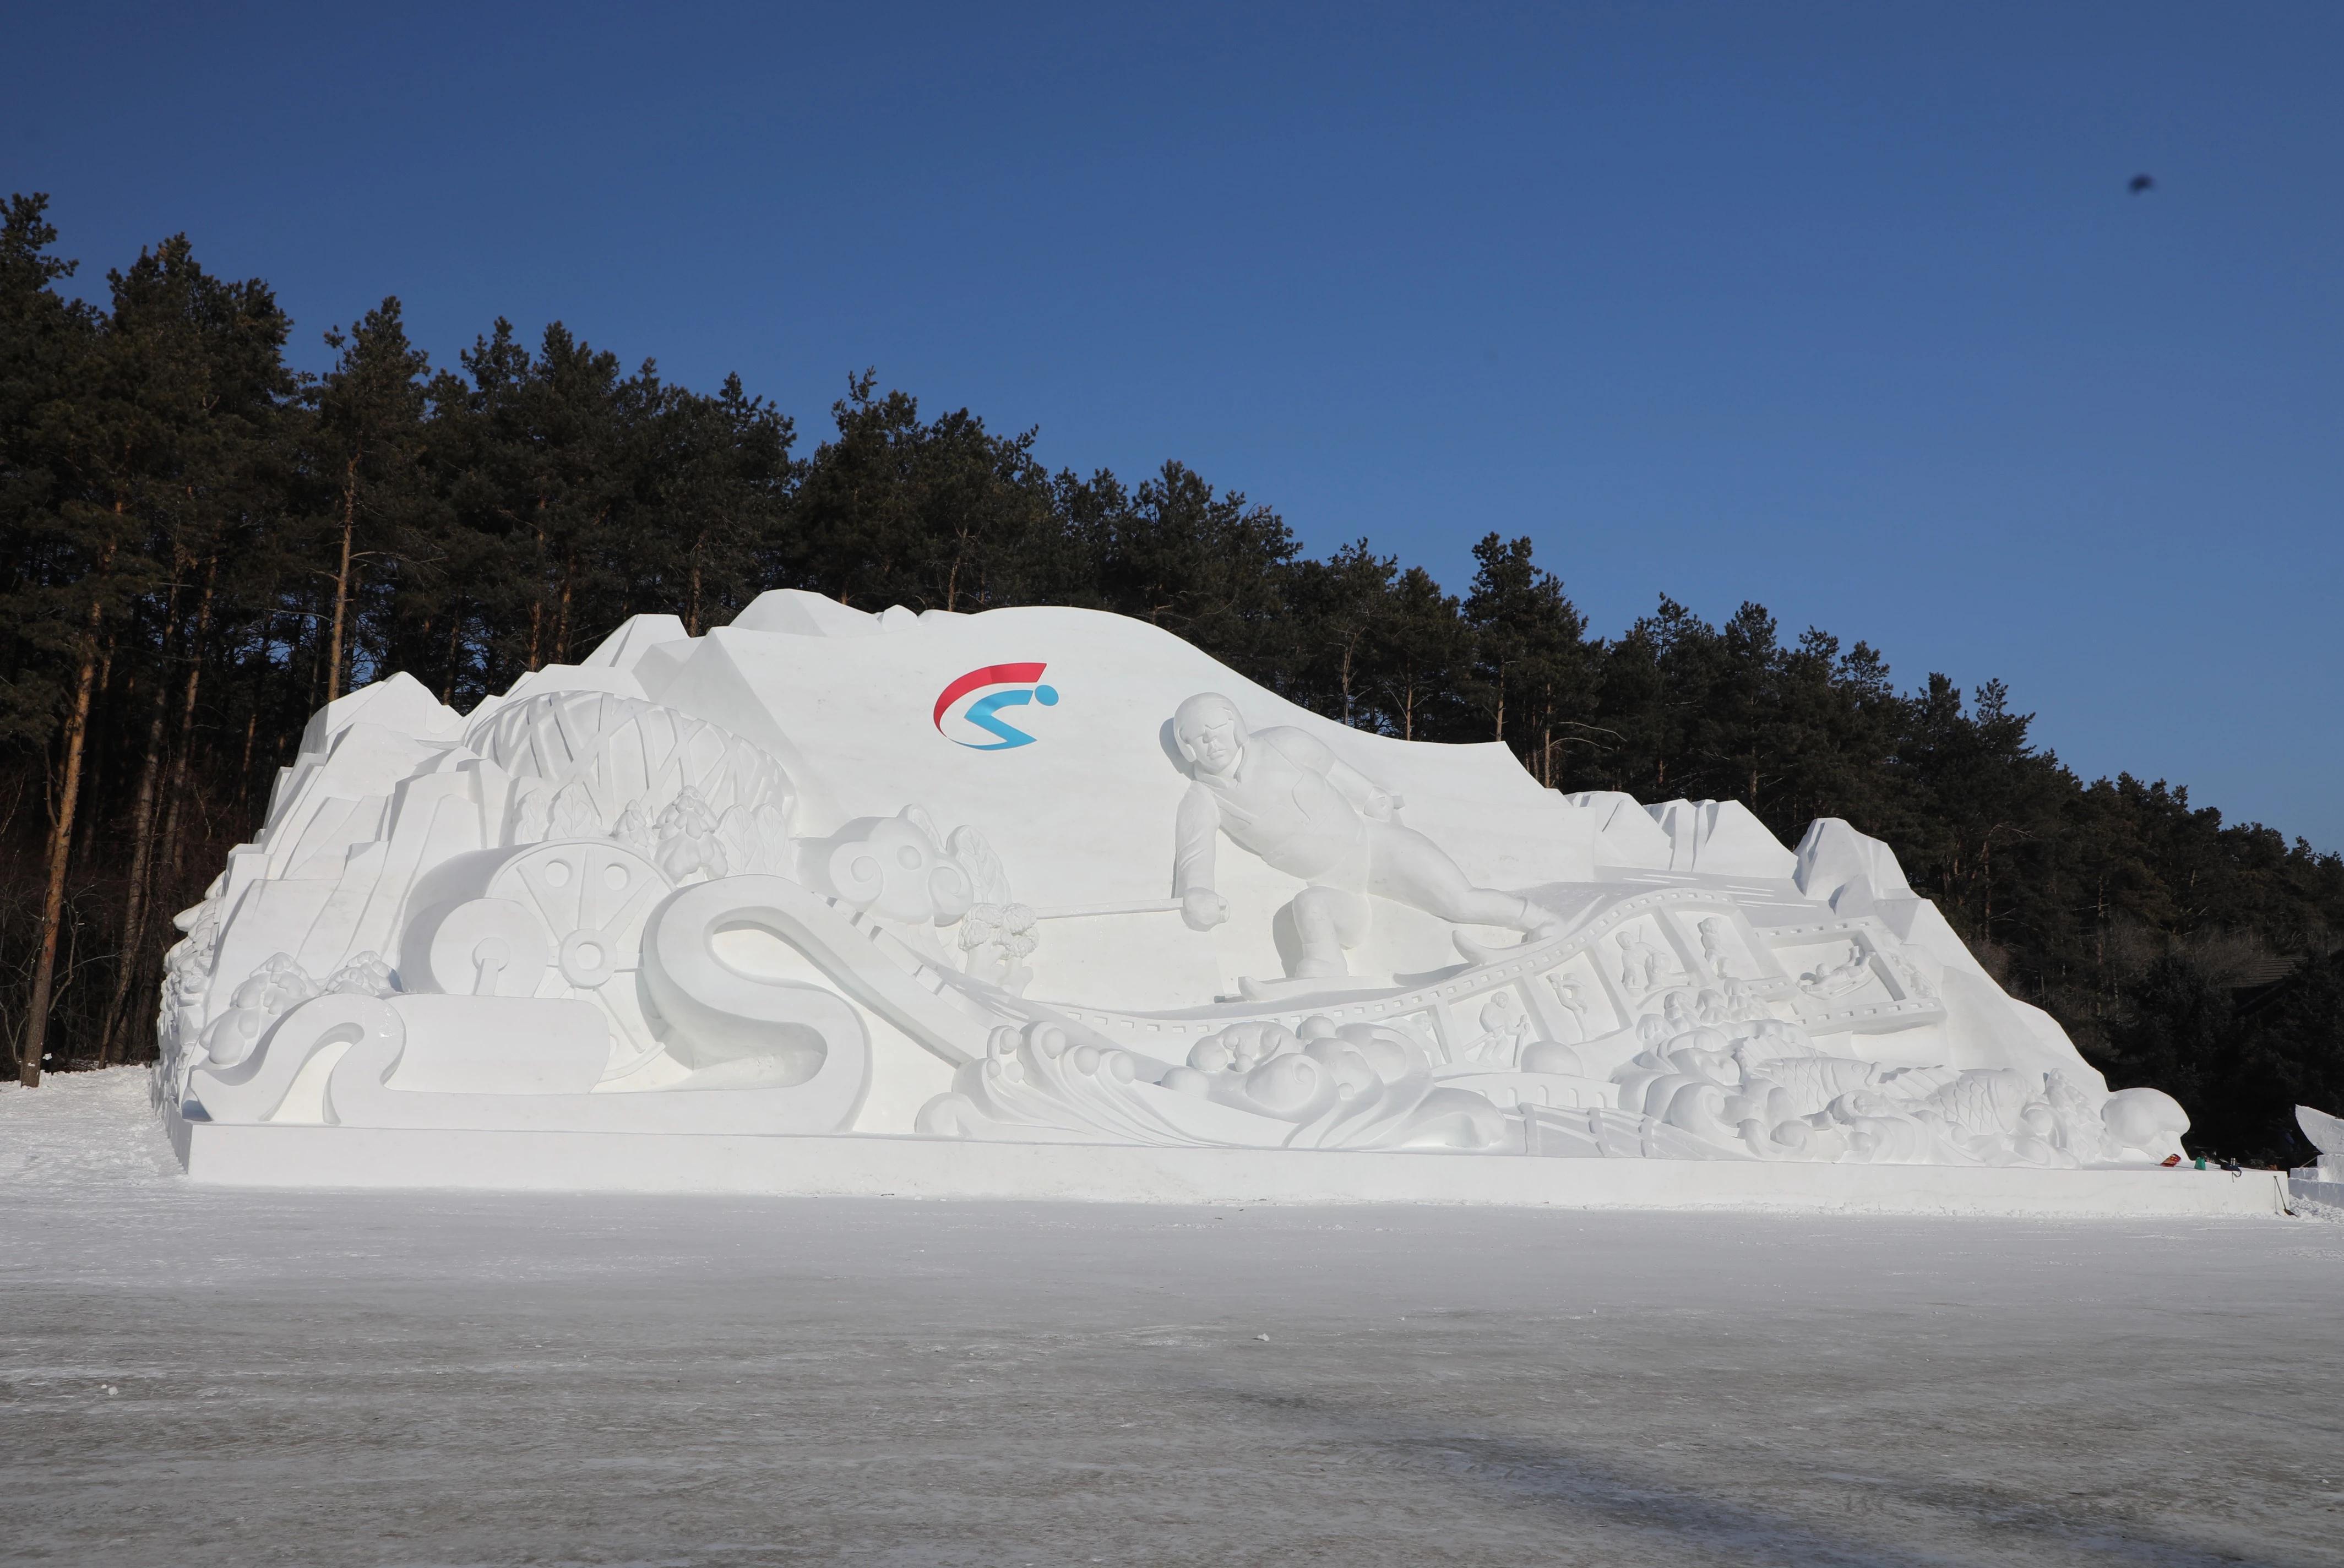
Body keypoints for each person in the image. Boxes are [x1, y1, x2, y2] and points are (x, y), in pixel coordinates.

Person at [1170, 693, 1559, 978]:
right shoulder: (1204, 798)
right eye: (1196, 739)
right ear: (1187, 749)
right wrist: (1196, 891)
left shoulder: (1284, 744)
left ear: (1234, 725)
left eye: (1214, 730)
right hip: (1337, 884)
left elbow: (1342, 776)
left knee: (1458, 901)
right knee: (1310, 906)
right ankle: (1322, 974)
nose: (1210, 743)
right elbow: (1195, 854)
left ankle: (1541, 921)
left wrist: (1376, 800)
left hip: (1375, 847)